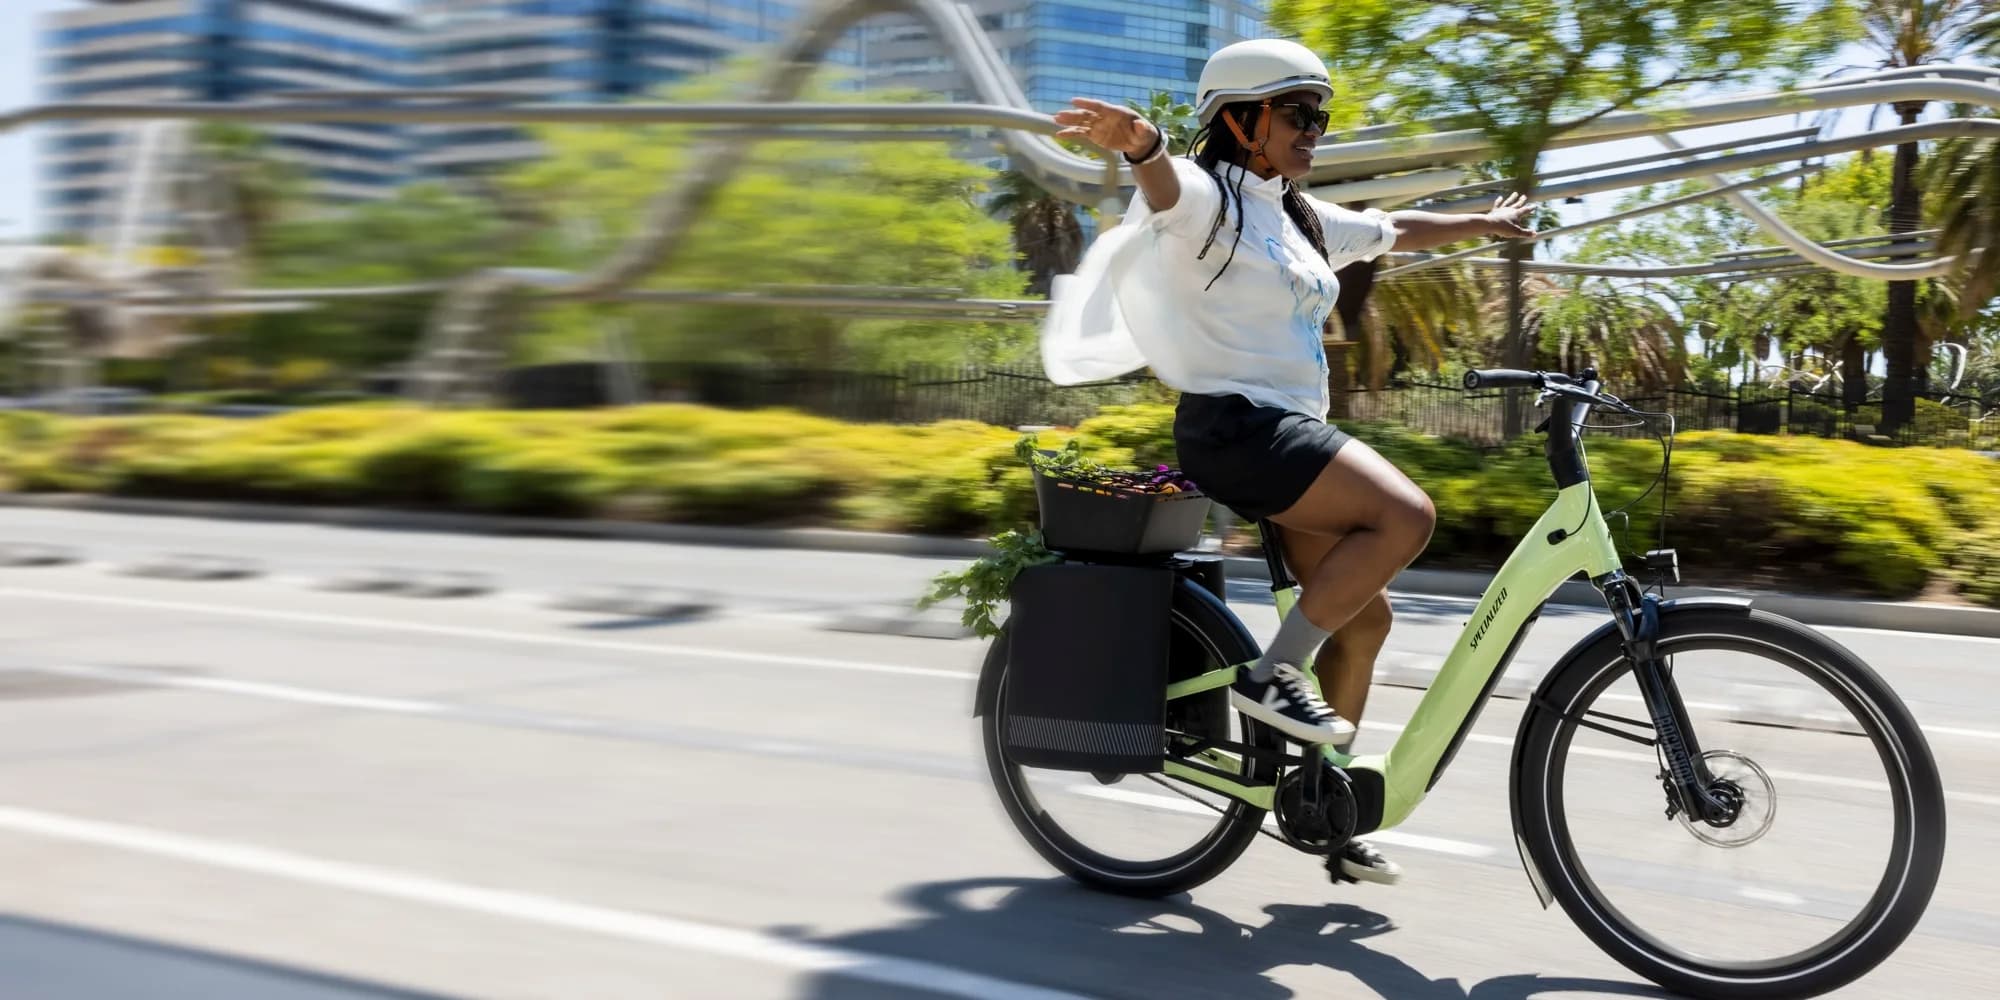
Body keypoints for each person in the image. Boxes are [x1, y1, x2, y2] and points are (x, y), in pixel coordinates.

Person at [1044, 38, 1538, 885]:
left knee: (1367, 622)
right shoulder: (1209, 200)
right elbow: (1167, 186)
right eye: (1298, 115)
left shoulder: (1297, 216)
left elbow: (1394, 229)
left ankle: (1325, 807)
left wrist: (1483, 223)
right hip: (1237, 429)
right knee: (1407, 515)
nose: (1315, 131)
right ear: (1240, 121)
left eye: (1322, 116)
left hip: (1285, 437)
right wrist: (1141, 146)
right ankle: (1272, 675)